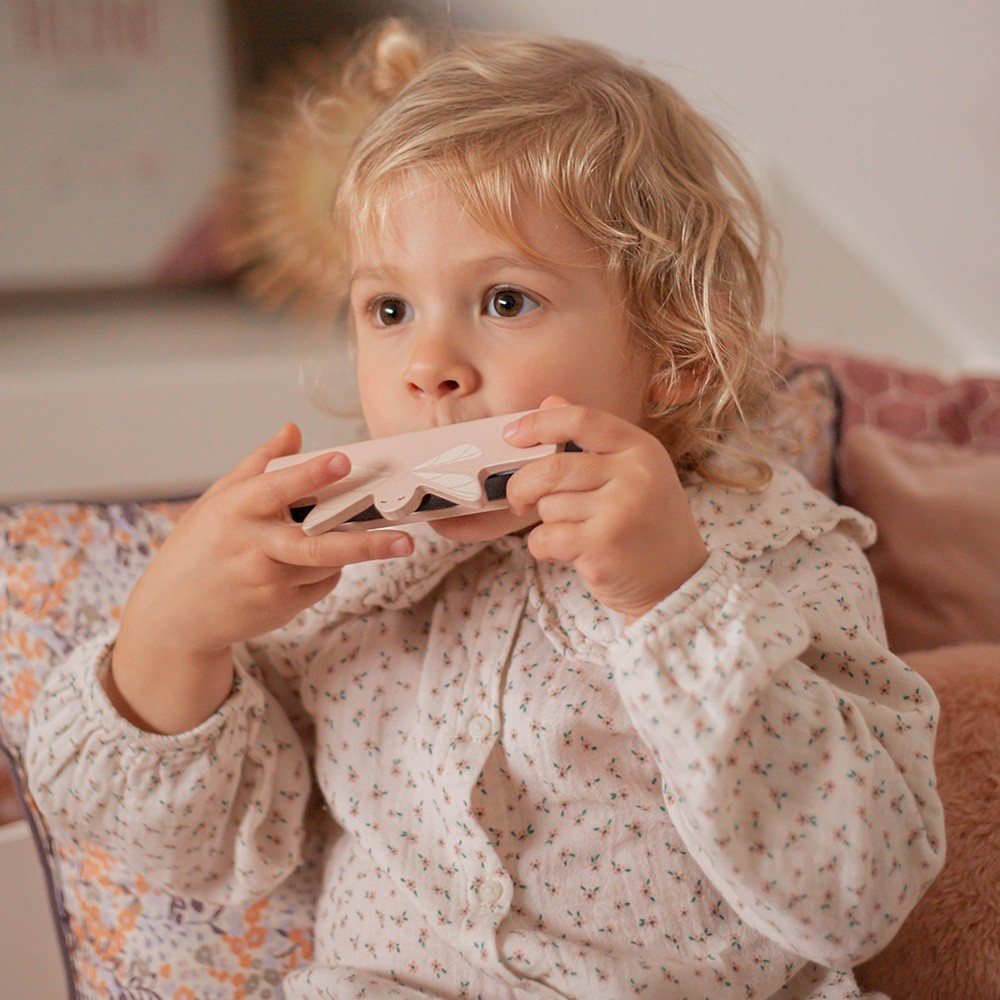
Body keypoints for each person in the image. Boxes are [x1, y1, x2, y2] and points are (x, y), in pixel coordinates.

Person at [27, 19, 944, 1000]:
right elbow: (202, 854)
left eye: (505, 300)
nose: (428, 366)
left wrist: (677, 600)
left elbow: (857, 891)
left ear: (672, 351)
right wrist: (174, 634)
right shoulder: (340, 578)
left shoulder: (774, 557)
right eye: (389, 310)